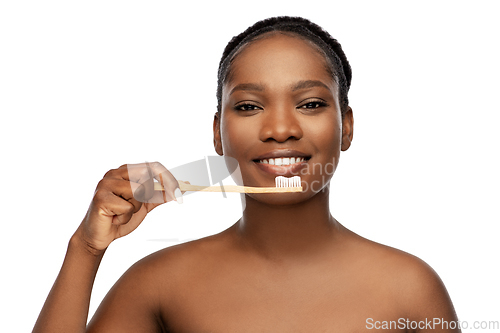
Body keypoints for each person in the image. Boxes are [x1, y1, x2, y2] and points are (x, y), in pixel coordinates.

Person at [33, 16, 460, 332]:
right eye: (249, 106)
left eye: (310, 103)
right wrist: (86, 249)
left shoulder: (410, 289)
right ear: (217, 135)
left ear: (346, 126)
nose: (279, 129)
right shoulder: (160, 284)